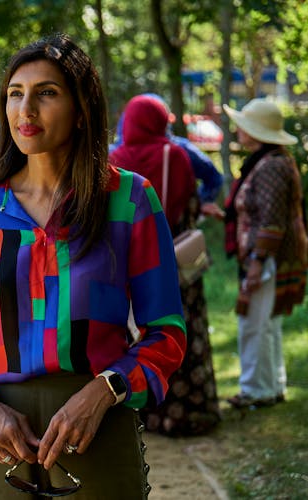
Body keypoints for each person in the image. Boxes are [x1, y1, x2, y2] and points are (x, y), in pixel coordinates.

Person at [0, 35, 186, 498]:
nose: (26, 109)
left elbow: (166, 333)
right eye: (15, 93)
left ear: (81, 108)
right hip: (1, 442)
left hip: (97, 427)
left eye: (46, 93)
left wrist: (104, 392)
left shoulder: (129, 200)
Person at [110, 94, 221, 436]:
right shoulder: (178, 155)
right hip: (174, 264)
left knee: (134, 332)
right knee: (177, 329)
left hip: (127, 266)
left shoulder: (113, 159)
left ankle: (143, 412)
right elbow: (205, 186)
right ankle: (186, 411)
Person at [222, 98, 308, 408]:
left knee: (255, 324)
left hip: (267, 256)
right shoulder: (271, 160)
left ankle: (256, 390)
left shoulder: (270, 166)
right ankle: (271, 387)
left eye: (244, 126)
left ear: (256, 132)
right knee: (266, 324)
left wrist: (258, 260)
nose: (238, 131)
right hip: (269, 253)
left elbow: (271, 220)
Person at [110, 93, 224, 219]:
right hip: (169, 235)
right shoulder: (177, 153)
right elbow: (210, 179)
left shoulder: (112, 157)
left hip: (122, 236)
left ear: (127, 120)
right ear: (162, 118)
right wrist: (202, 203)